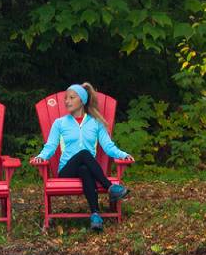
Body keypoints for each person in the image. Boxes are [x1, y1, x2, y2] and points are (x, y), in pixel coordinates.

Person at [31, 83, 132, 230]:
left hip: (88, 170)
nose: (67, 101)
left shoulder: (95, 123)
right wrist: (41, 156)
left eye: (72, 97)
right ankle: (110, 188)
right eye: (66, 98)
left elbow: (108, 146)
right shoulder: (60, 123)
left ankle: (95, 215)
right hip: (66, 171)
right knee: (84, 154)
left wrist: (124, 155)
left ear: (82, 101)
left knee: (85, 168)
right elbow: (50, 146)